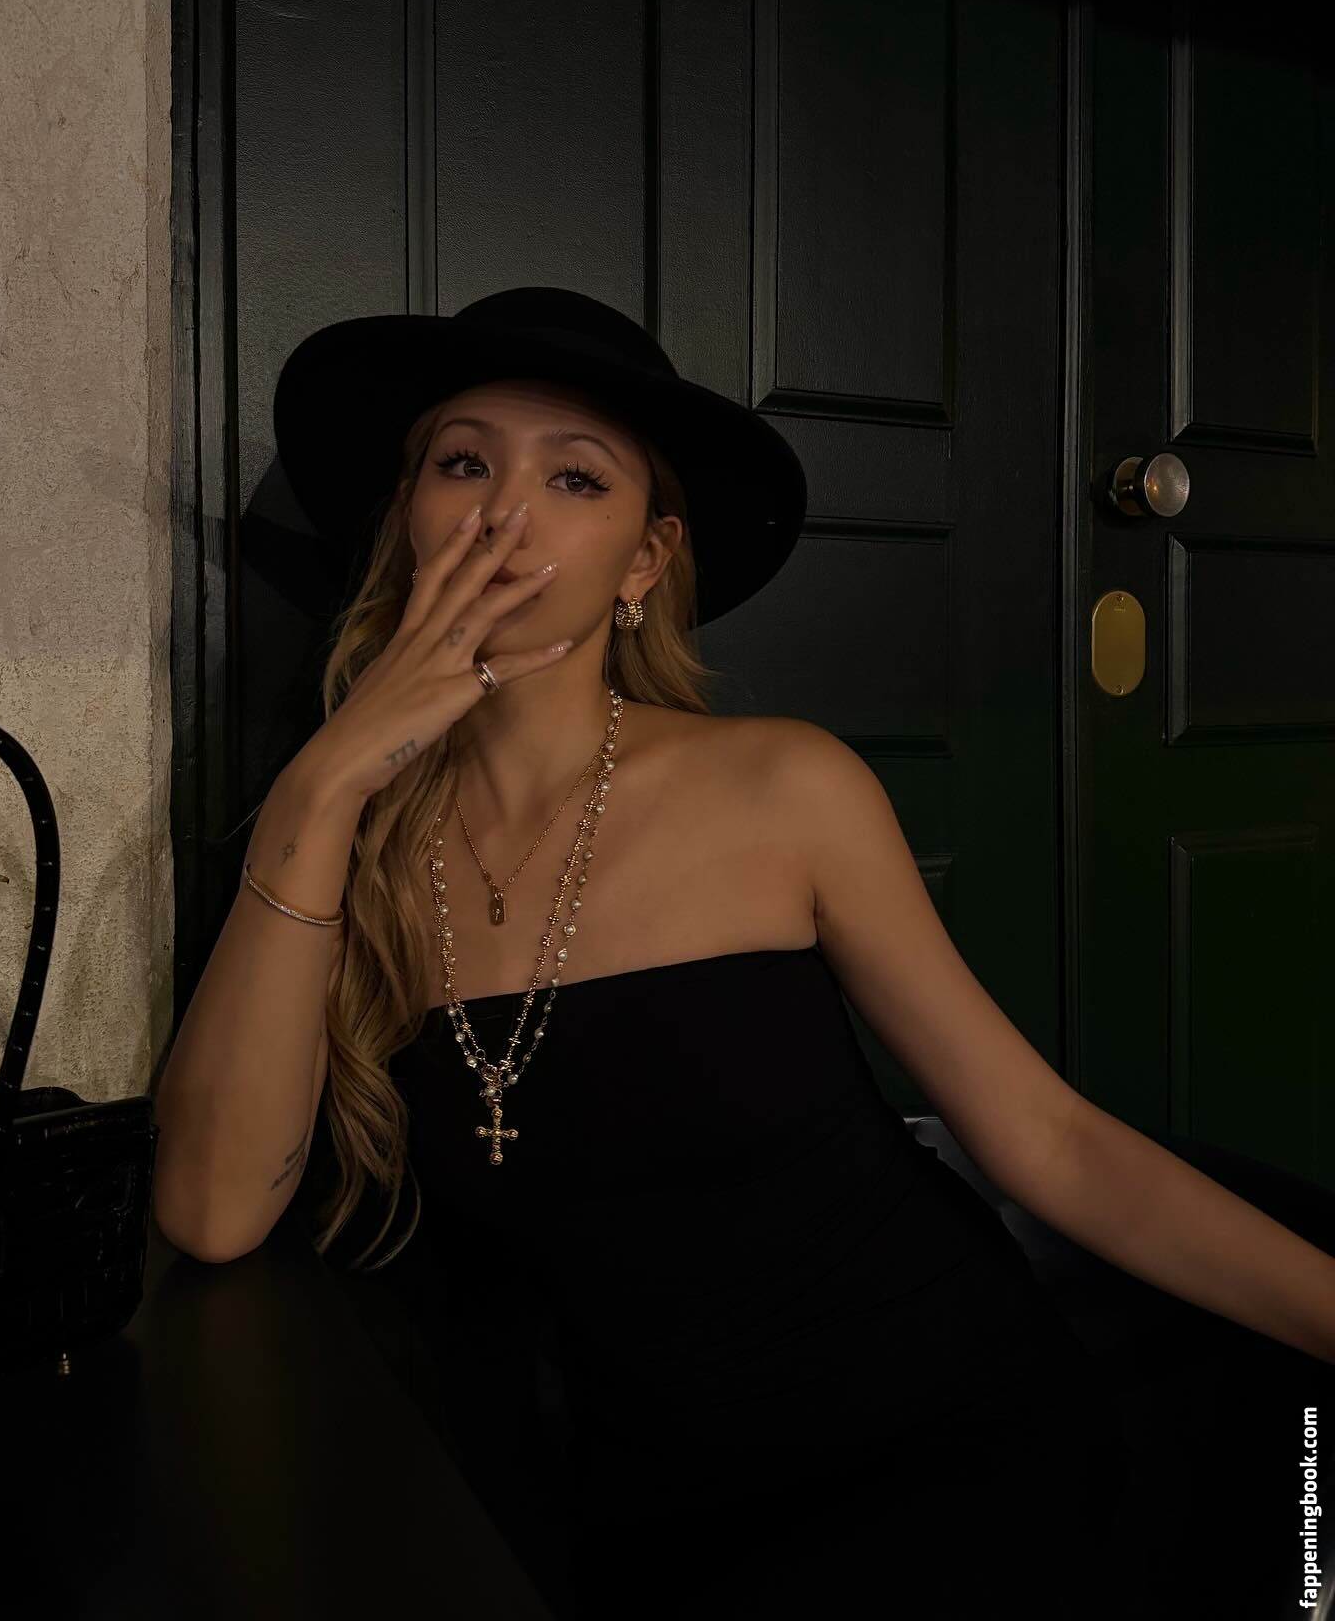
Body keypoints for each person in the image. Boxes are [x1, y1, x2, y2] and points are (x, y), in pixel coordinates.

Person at [155, 287, 1332, 1621]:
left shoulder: (784, 787)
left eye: (576, 478)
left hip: (940, 1448)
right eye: (464, 464)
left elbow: (1048, 1142)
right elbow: (211, 1212)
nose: (502, 517)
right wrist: (324, 786)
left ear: (644, 562)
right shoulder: (345, 855)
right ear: (407, 520)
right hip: (638, 1527)